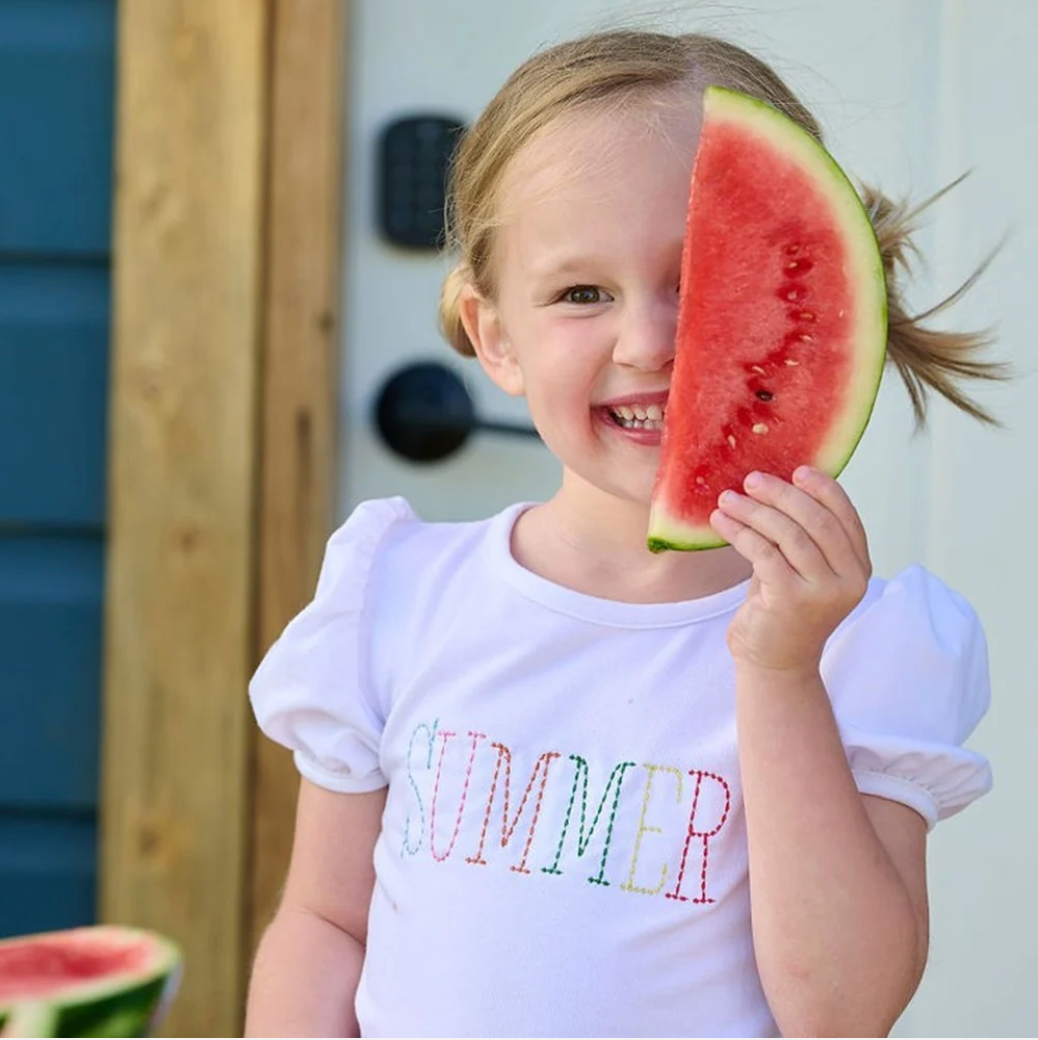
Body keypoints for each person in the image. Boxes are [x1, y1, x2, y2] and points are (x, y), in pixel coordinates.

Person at [245, 28, 1001, 1039]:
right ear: (495, 335)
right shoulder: (396, 590)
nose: (647, 340)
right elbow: (326, 919)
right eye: (581, 293)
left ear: (805, 305)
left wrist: (780, 672)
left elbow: (843, 1010)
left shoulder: (866, 639)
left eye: (701, 284)